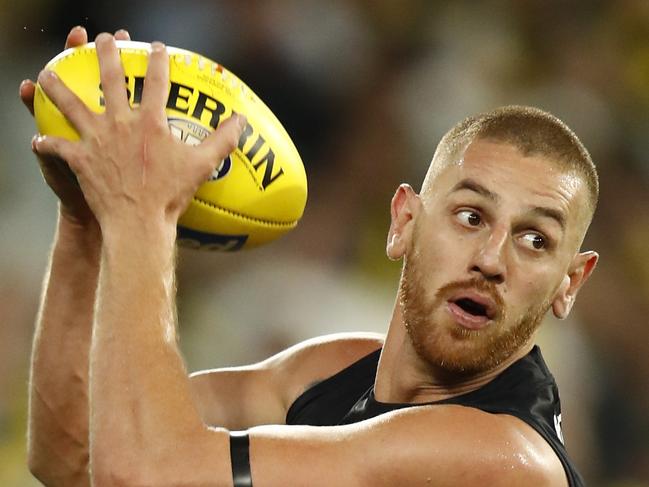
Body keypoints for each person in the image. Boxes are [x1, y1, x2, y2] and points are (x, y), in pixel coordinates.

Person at [22, 26, 598, 487]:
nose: (492, 260)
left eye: (535, 241)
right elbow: (74, 457)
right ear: (404, 223)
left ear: (568, 284)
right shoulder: (327, 375)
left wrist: (138, 210)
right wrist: (85, 219)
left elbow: (145, 474)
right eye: (471, 217)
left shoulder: (504, 460)